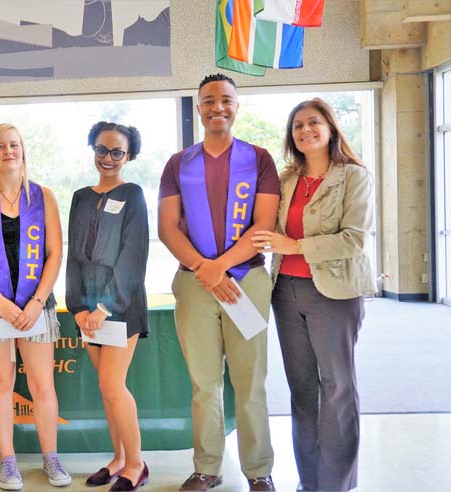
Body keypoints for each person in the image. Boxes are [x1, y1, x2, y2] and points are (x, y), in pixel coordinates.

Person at [158, 73, 280, 492]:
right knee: (204, 382)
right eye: (208, 100)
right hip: (195, 285)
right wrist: (204, 269)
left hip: (247, 281)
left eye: (225, 100)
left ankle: (258, 470)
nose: (217, 107)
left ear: (236, 106)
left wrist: (221, 267)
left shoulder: (259, 159)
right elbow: (168, 228)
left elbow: (264, 225)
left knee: (250, 381)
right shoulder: (179, 163)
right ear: (198, 108)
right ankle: (207, 467)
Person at [251, 98, 374, 492]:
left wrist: (295, 246)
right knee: (302, 391)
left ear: (331, 128)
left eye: (313, 123)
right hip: (285, 292)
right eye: (298, 126)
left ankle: (335, 484)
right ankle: (309, 482)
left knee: (336, 388)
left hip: (335, 294)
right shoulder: (286, 181)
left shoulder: (353, 177)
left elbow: (354, 240)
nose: (305, 130)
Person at [0, 123, 70, 491]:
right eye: (0, 146)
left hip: (38, 306)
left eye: (15, 145)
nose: (9, 151)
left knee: (42, 385)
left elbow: (55, 254)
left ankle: (51, 458)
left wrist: (37, 301)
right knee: (2, 382)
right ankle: (8, 462)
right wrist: (0, 304)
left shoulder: (44, 197)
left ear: (23, 151)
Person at [65, 122, 150, 492]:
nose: (108, 158)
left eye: (117, 152)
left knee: (113, 385)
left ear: (128, 156)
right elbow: (73, 258)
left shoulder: (133, 194)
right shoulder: (81, 197)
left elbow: (134, 256)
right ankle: (117, 459)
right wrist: (77, 307)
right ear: (93, 150)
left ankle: (136, 464)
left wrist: (105, 306)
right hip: (87, 308)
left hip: (120, 305)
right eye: (102, 150)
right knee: (106, 389)